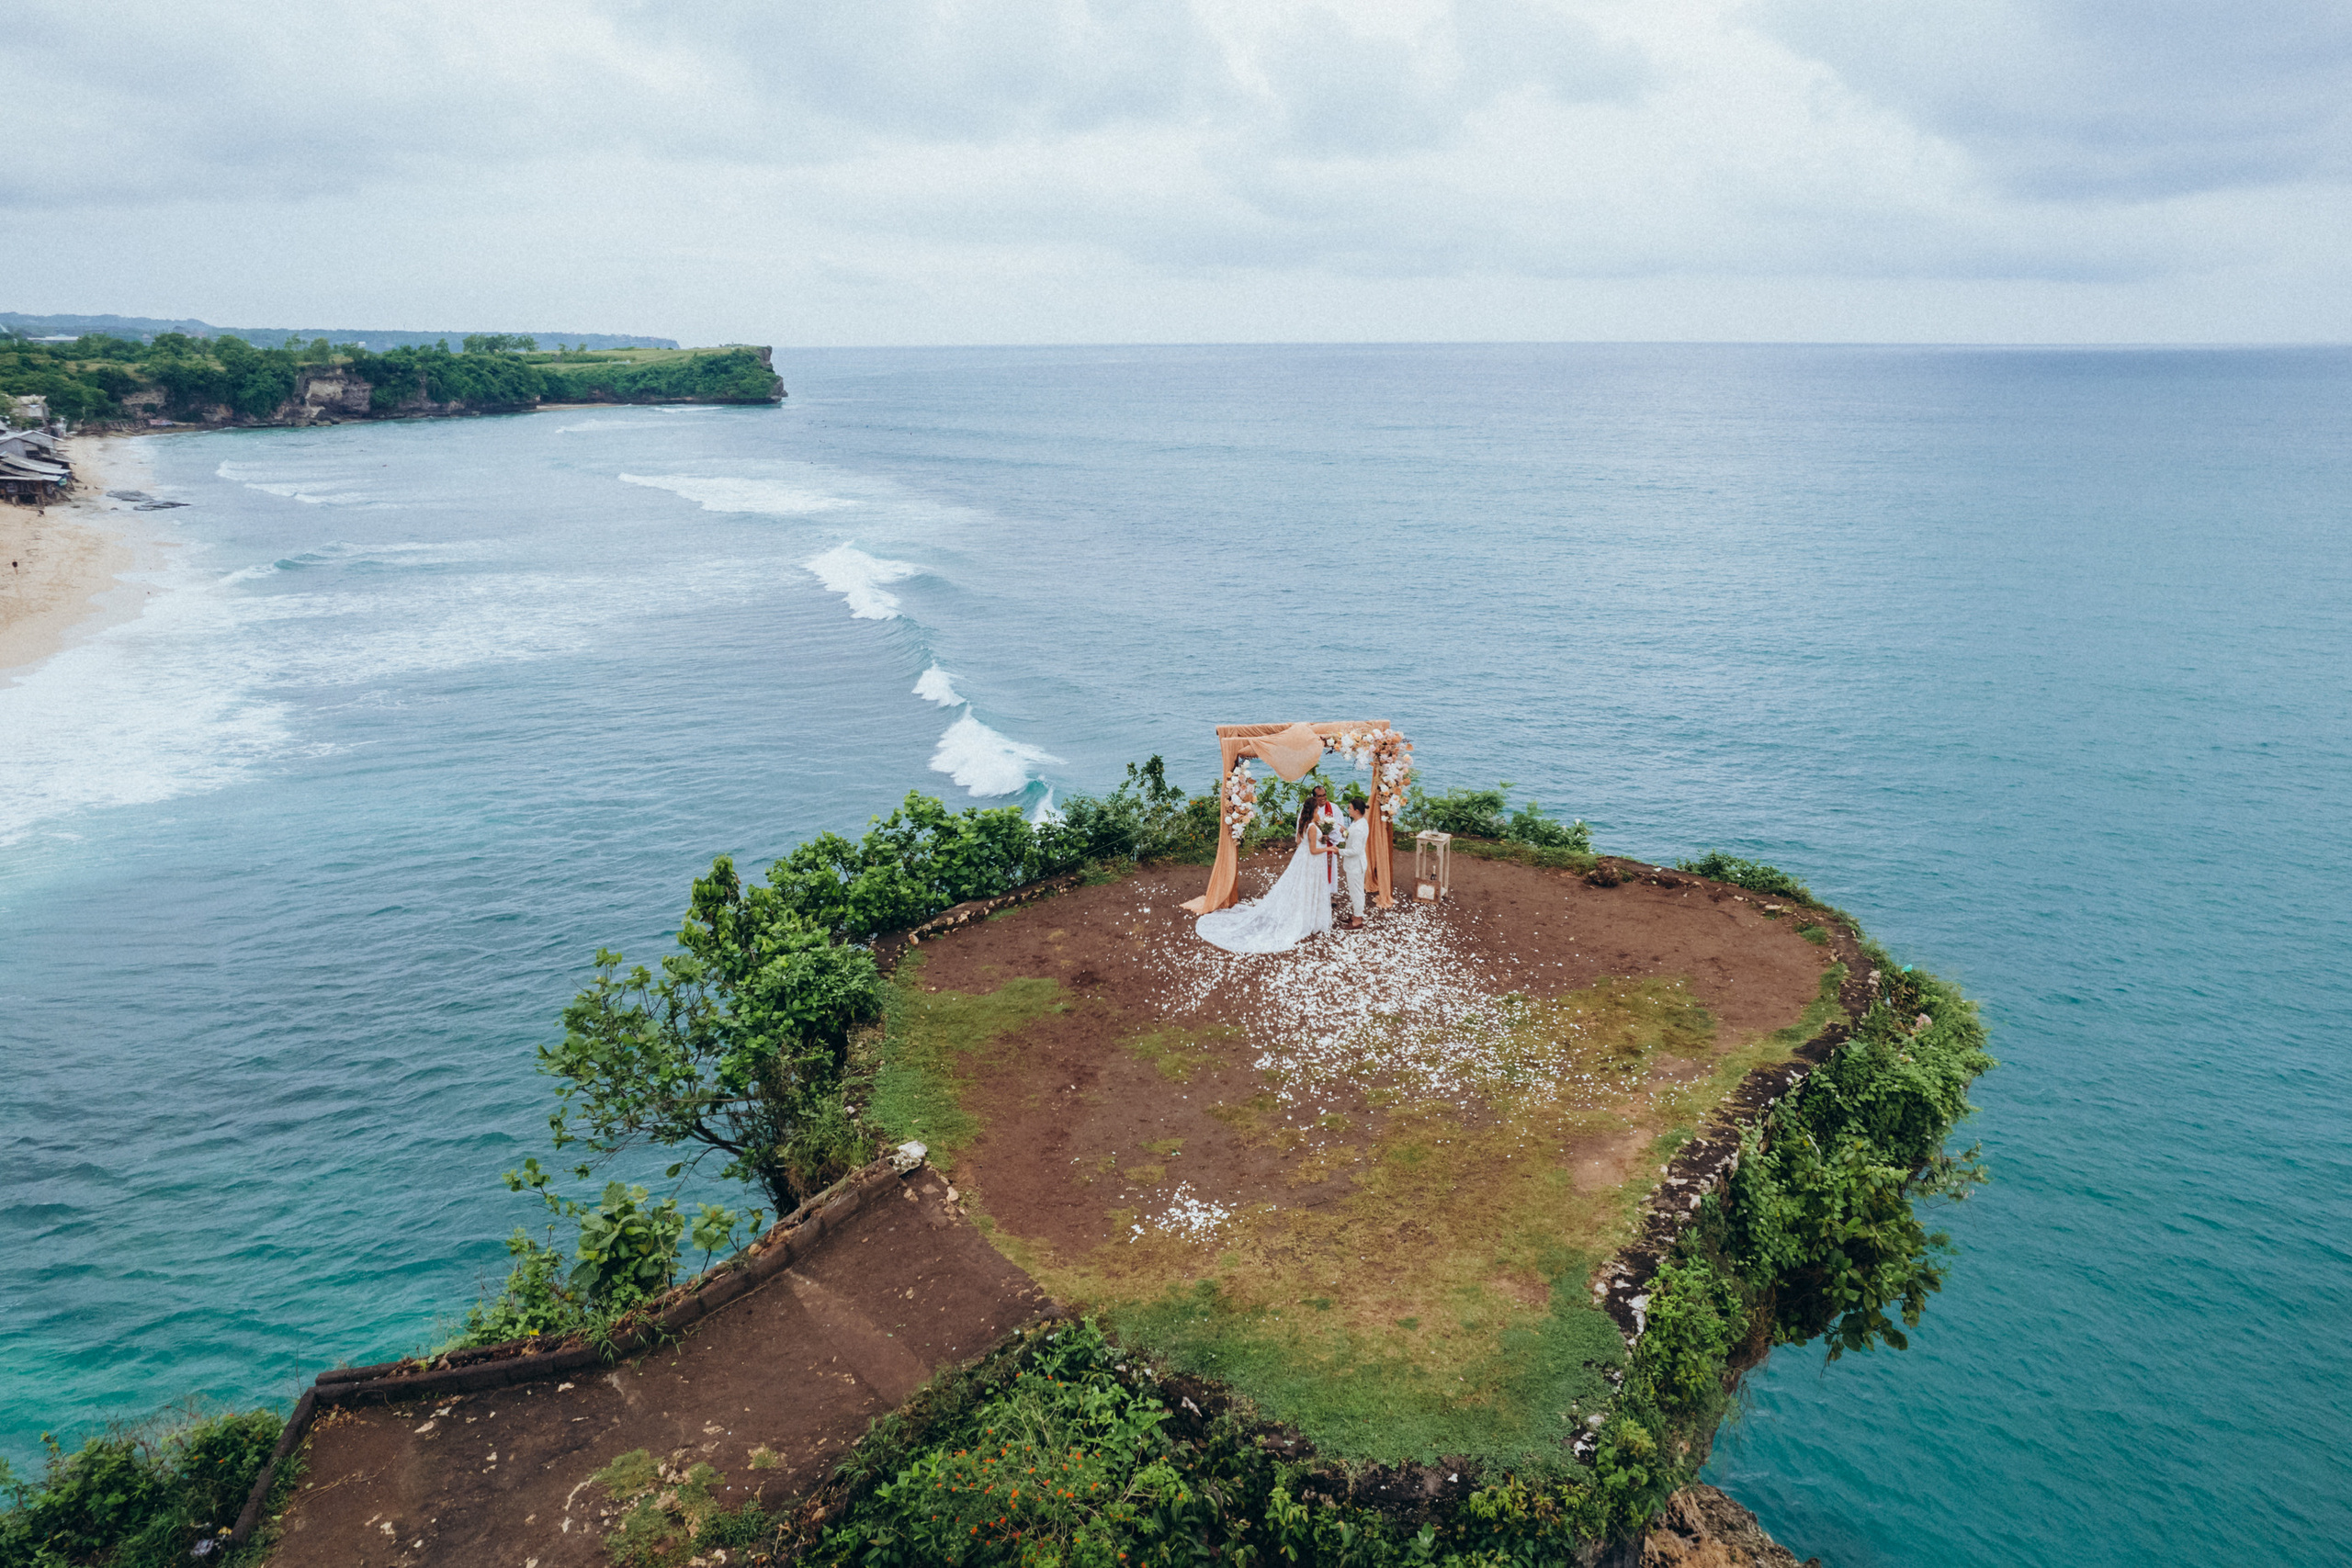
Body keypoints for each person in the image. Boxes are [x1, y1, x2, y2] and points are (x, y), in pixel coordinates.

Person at [1194, 779, 1342, 953]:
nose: (1319, 808)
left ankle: (1308, 914)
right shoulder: (1311, 826)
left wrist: (1321, 838)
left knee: (1305, 887)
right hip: (1312, 861)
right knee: (1307, 887)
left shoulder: (1307, 824)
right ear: (1314, 809)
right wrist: (1329, 847)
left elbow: (1300, 840)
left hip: (1307, 860)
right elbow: (1313, 849)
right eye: (1317, 807)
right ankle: (1307, 917)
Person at [1339, 795, 1372, 928]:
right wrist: (1345, 833)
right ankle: (1355, 915)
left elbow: (1355, 851)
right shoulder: (1358, 822)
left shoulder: (1359, 828)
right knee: (1355, 891)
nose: (1348, 809)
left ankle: (1358, 920)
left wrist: (1338, 851)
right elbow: (1353, 839)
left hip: (1356, 865)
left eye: (1350, 808)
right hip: (1355, 864)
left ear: (1357, 811)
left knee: (1356, 893)